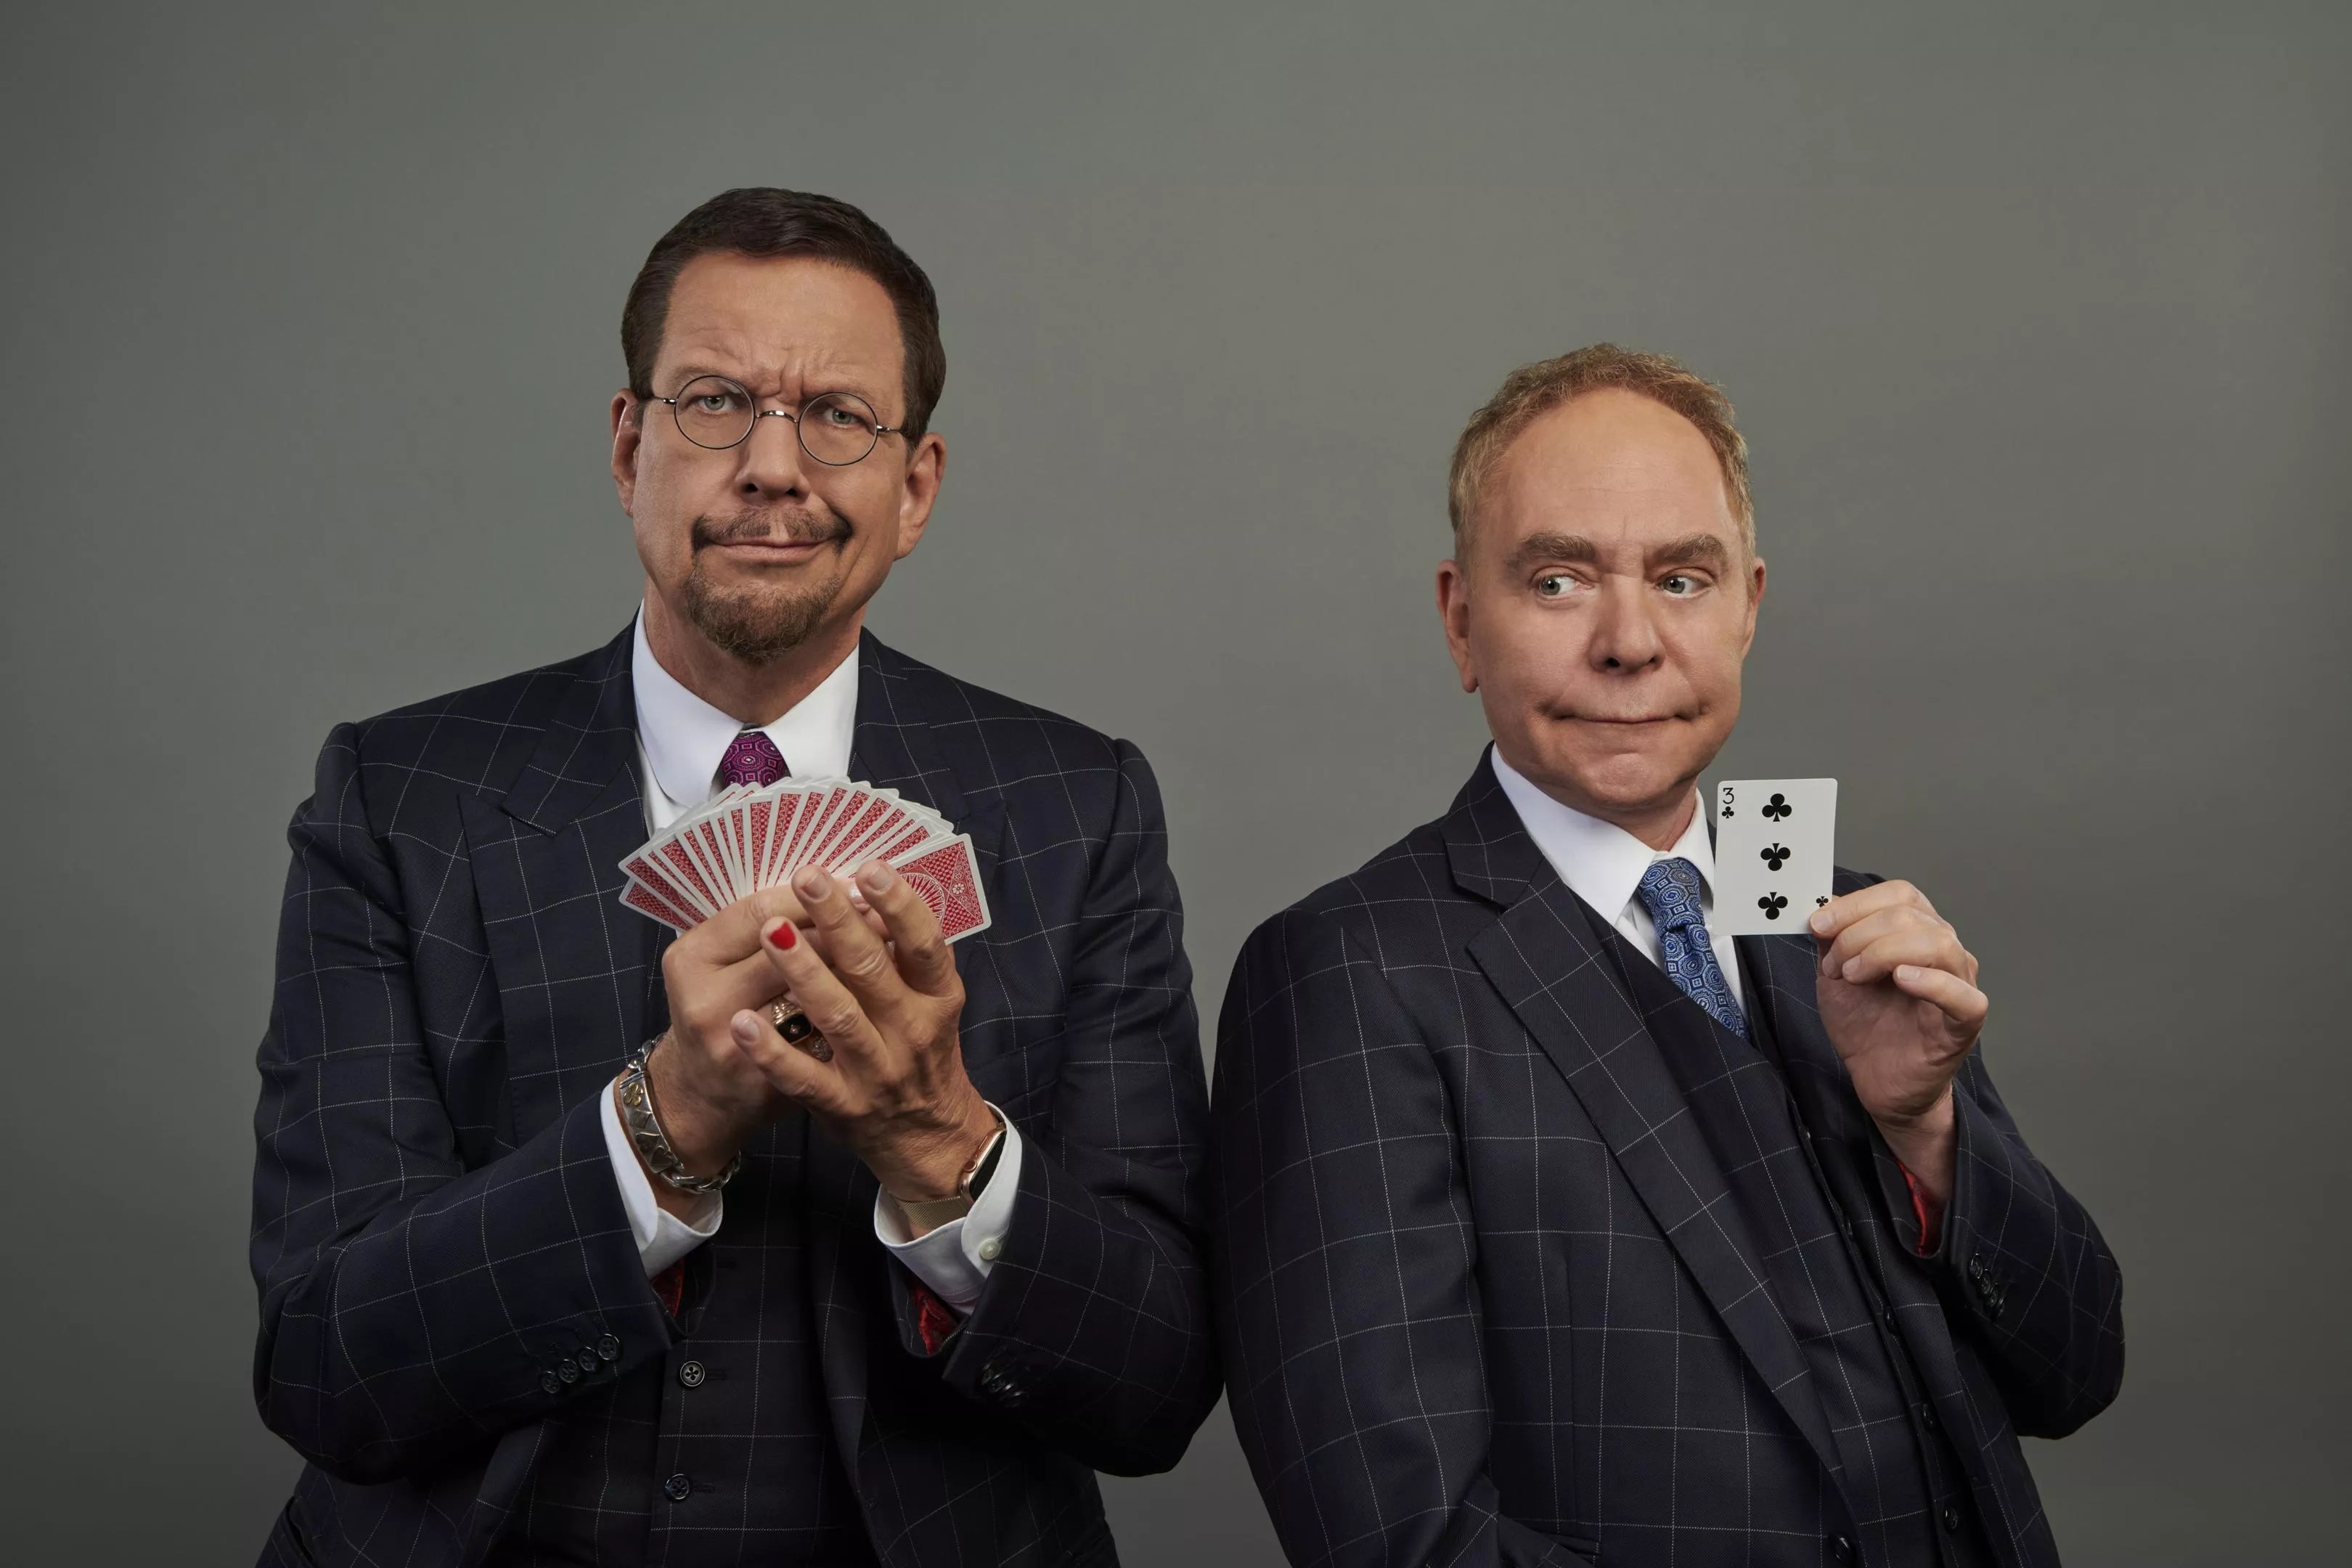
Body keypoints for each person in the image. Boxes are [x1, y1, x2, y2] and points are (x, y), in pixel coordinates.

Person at [250, 188, 1216, 1567]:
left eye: (837, 415)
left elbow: (1155, 1383)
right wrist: (664, 1125)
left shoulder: (1078, 809)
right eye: (716, 402)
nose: (774, 466)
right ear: (629, 443)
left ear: (918, 486)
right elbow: (327, 1365)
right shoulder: (401, 801)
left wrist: (941, 1142)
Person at [1210, 346, 2123, 1567]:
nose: (1630, 641)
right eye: (1557, 580)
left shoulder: (1835, 912)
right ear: (1459, 618)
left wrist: (1931, 1133)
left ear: (1751, 605)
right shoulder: (1349, 973)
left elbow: (2077, 1370)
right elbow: (1400, 1539)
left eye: (1683, 580)